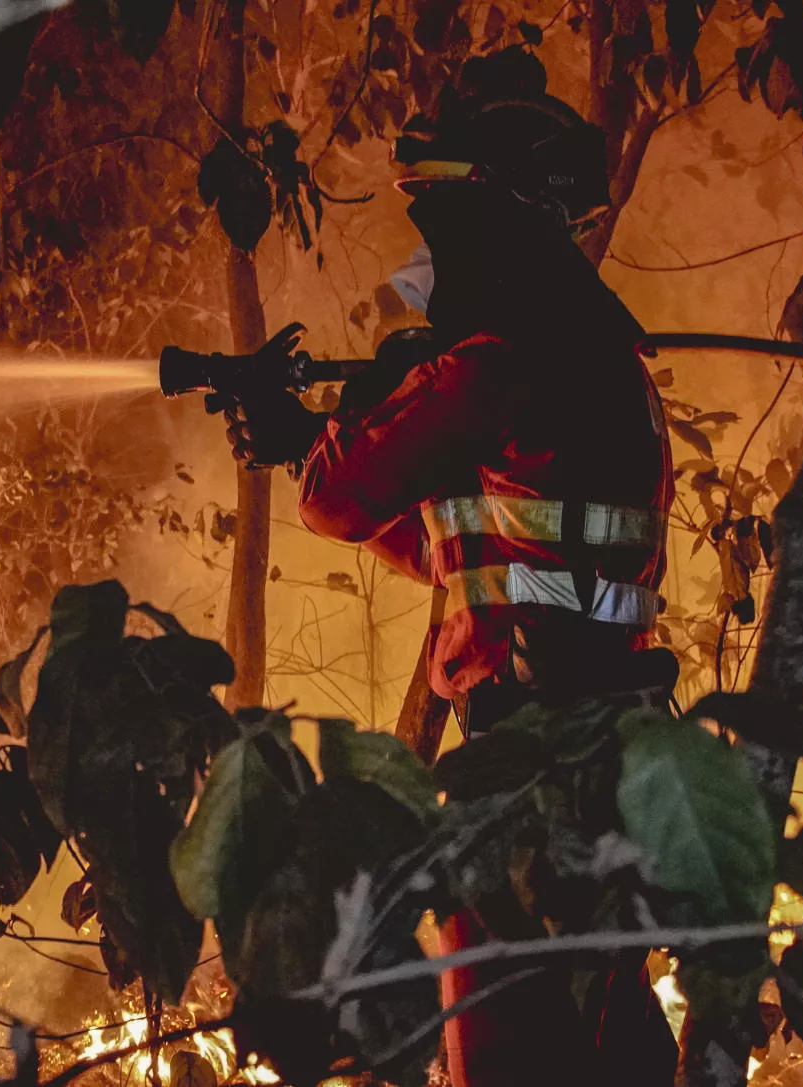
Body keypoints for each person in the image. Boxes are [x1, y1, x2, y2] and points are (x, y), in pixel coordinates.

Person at [211, 65, 680, 1087]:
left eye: (444, 218)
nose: (428, 253)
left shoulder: (501, 361)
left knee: (509, 1032)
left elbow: (340, 498)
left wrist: (311, 440)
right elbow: (456, 552)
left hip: (526, 756)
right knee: (598, 1016)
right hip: (610, 743)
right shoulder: (605, 363)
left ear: (496, 217)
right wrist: (331, 437)